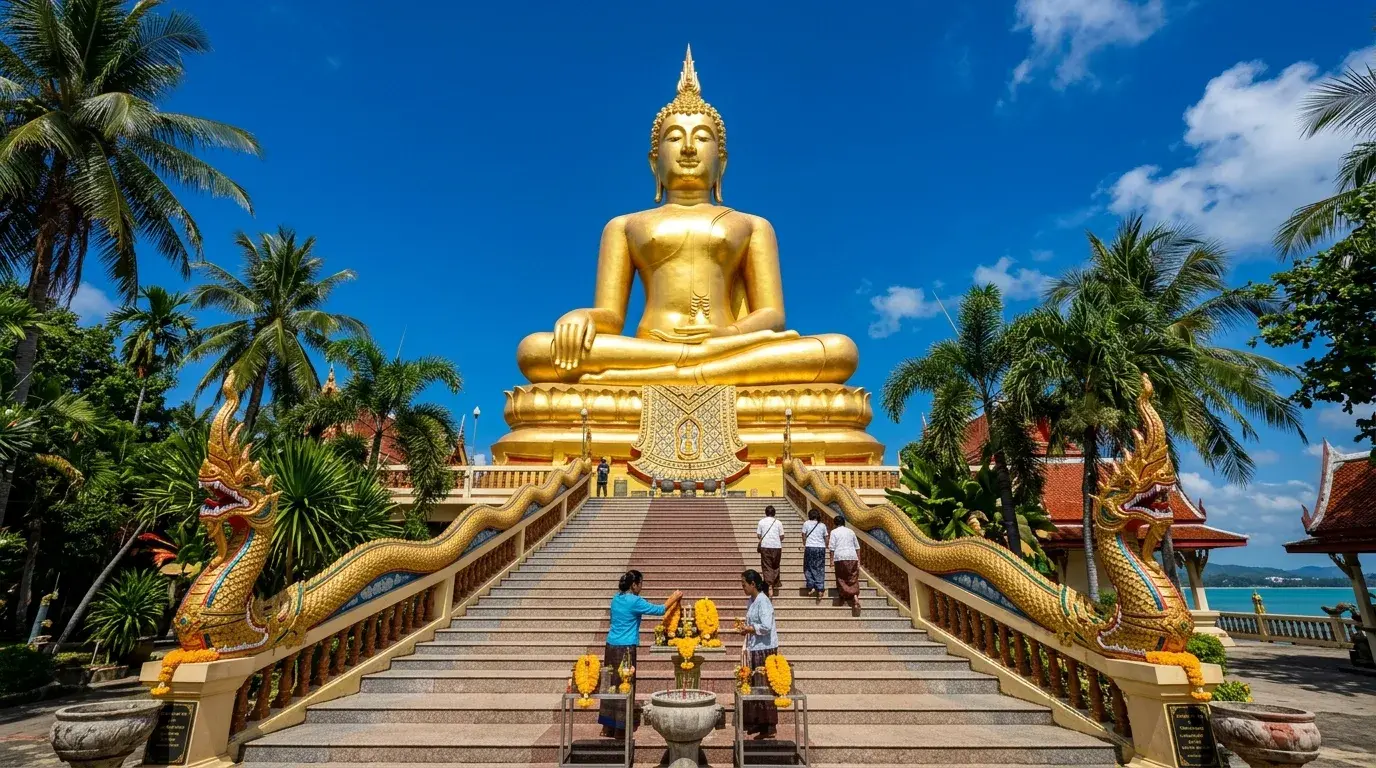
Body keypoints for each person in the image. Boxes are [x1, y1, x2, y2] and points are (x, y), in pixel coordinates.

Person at [600, 571, 682, 738]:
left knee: (611, 685)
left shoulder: (616, 598)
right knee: (625, 685)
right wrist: (674, 597)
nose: (641, 587)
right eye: (641, 583)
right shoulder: (634, 601)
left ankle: (607, 727)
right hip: (625, 648)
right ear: (634, 585)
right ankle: (621, 729)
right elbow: (659, 610)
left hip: (610, 646)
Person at [737, 569, 779, 739]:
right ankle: (758, 720)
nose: (743, 588)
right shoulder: (751, 601)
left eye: (744, 585)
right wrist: (745, 628)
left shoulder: (763, 601)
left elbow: (766, 626)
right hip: (755, 647)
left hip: (765, 648)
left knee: (764, 686)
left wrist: (750, 628)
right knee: (756, 684)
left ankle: (769, 725)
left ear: (753, 584)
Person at [829, 515, 861, 616]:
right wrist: (859, 560)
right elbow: (857, 547)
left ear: (835, 524)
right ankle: (855, 596)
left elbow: (832, 547)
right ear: (844, 523)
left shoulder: (834, 532)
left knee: (841, 578)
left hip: (840, 557)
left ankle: (843, 596)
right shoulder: (851, 531)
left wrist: (831, 560)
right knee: (852, 577)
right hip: (852, 556)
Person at [801, 509, 828, 601]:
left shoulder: (806, 524)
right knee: (820, 568)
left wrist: (805, 543)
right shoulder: (822, 525)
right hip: (820, 548)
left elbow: (803, 535)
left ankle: (811, 585)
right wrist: (825, 546)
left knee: (808, 567)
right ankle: (820, 589)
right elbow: (826, 537)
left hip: (810, 547)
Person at [756, 505, 783, 596]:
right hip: (777, 547)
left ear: (766, 513)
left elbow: (759, 535)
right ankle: (774, 582)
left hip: (765, 546)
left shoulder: (761, 522)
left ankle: (769, 584)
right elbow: (782, 536)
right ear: (774, 513)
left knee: (767, 565)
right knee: (775, 565)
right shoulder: (778, 522)